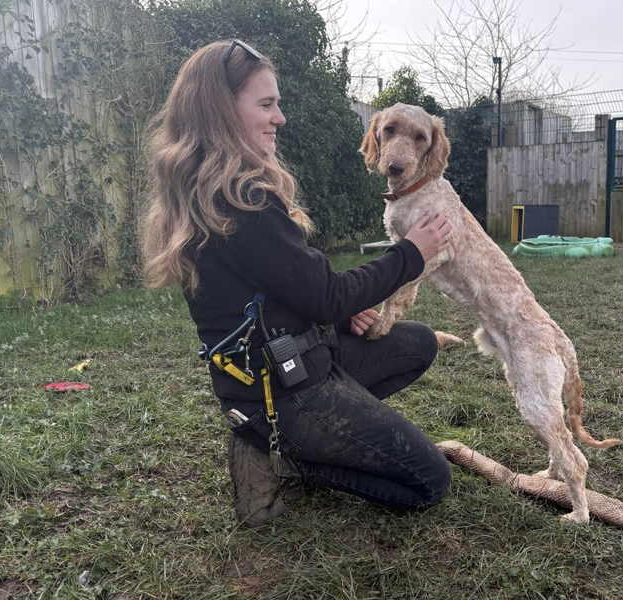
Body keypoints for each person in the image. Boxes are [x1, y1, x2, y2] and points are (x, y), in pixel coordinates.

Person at [142, 40, 454, 526]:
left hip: (296, 360)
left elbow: (296, 292)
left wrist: (340, 310)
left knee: (415, 343)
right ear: (220, 110)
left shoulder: (215, 189)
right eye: (266, 105)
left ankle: (321, 429)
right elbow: (328, 294)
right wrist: (411, 253)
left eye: (277, 104)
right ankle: (282, 457)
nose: (279, 117)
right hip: (280, 390)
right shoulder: (239, 200)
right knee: (430, 481)